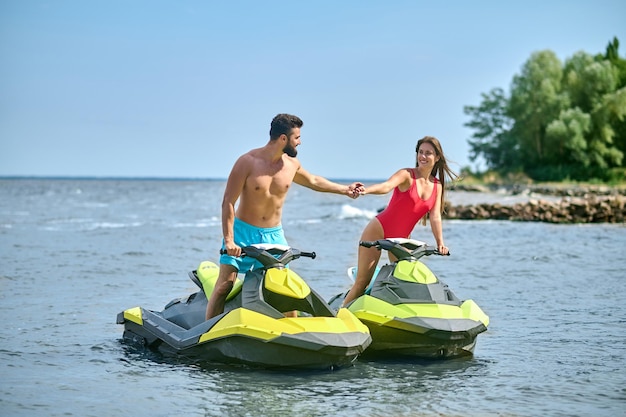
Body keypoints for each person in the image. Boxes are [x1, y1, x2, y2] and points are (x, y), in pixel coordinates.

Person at [205, 113, 364, 319]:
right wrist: (229, 240)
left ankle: (293, 335)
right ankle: (206, 332)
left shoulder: (291, 165)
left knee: (285, 289)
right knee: (224, 286)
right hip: (242, 231)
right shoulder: (247, 162)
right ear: (283, 138)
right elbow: (228, 202)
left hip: (274, 235)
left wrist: (345, 190)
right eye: (296, 137)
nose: (300, 141)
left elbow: (314, 181)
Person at [341, 136, 457, 307]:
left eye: (428, 153)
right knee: (361, 283)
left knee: (404, 280)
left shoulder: (437, 185)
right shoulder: (407, 175)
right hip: (378, 230)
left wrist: (440, 243)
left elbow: (435, 216)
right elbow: (386, 186)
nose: (423, 156)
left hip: (400, 239)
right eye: (421, 152)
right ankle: (340, 314)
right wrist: (366, 190)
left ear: (437, 157)